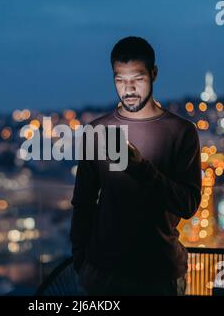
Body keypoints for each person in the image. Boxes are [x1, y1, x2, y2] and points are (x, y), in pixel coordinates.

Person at [69, 36, 202, 296]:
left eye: (138, 79)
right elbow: (83, 202)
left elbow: (188, 205)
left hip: (159, 273)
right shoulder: (97, 131)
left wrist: (140, 168)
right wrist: (80, 261)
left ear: (154, 74)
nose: (128, 89)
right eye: (120, 80)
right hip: (102, 273)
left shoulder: (181, 132)